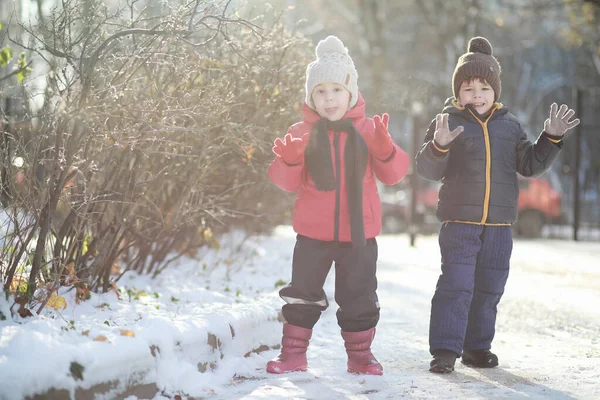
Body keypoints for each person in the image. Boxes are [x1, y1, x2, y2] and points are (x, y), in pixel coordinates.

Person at [415, 36, 580, 373]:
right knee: (456, 285)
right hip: (460, 223)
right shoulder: (448, 123)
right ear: (458, 92)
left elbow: (530, 165)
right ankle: (445, 350)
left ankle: (477, 348)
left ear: (496, 91)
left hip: (500, 226)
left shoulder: (510, 125)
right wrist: (439, 146)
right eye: (469, 87)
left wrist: (550, 138)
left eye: (484, 87)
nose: (477, 94)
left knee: (489, 288)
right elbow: (427, 170)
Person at [266, 35, 410, 375]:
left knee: (358, 295)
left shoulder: (369, 129)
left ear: (351, 92)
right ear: (310, 97)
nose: (329, 99)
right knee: (302, 293)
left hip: (359, 234)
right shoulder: (301, 131)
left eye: (336, 90)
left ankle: (360, 355)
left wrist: (385, 148)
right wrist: (288, 161)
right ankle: (293, 354)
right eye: (320, 91)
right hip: (312, 233)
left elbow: (394, 175)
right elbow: (285, 183)